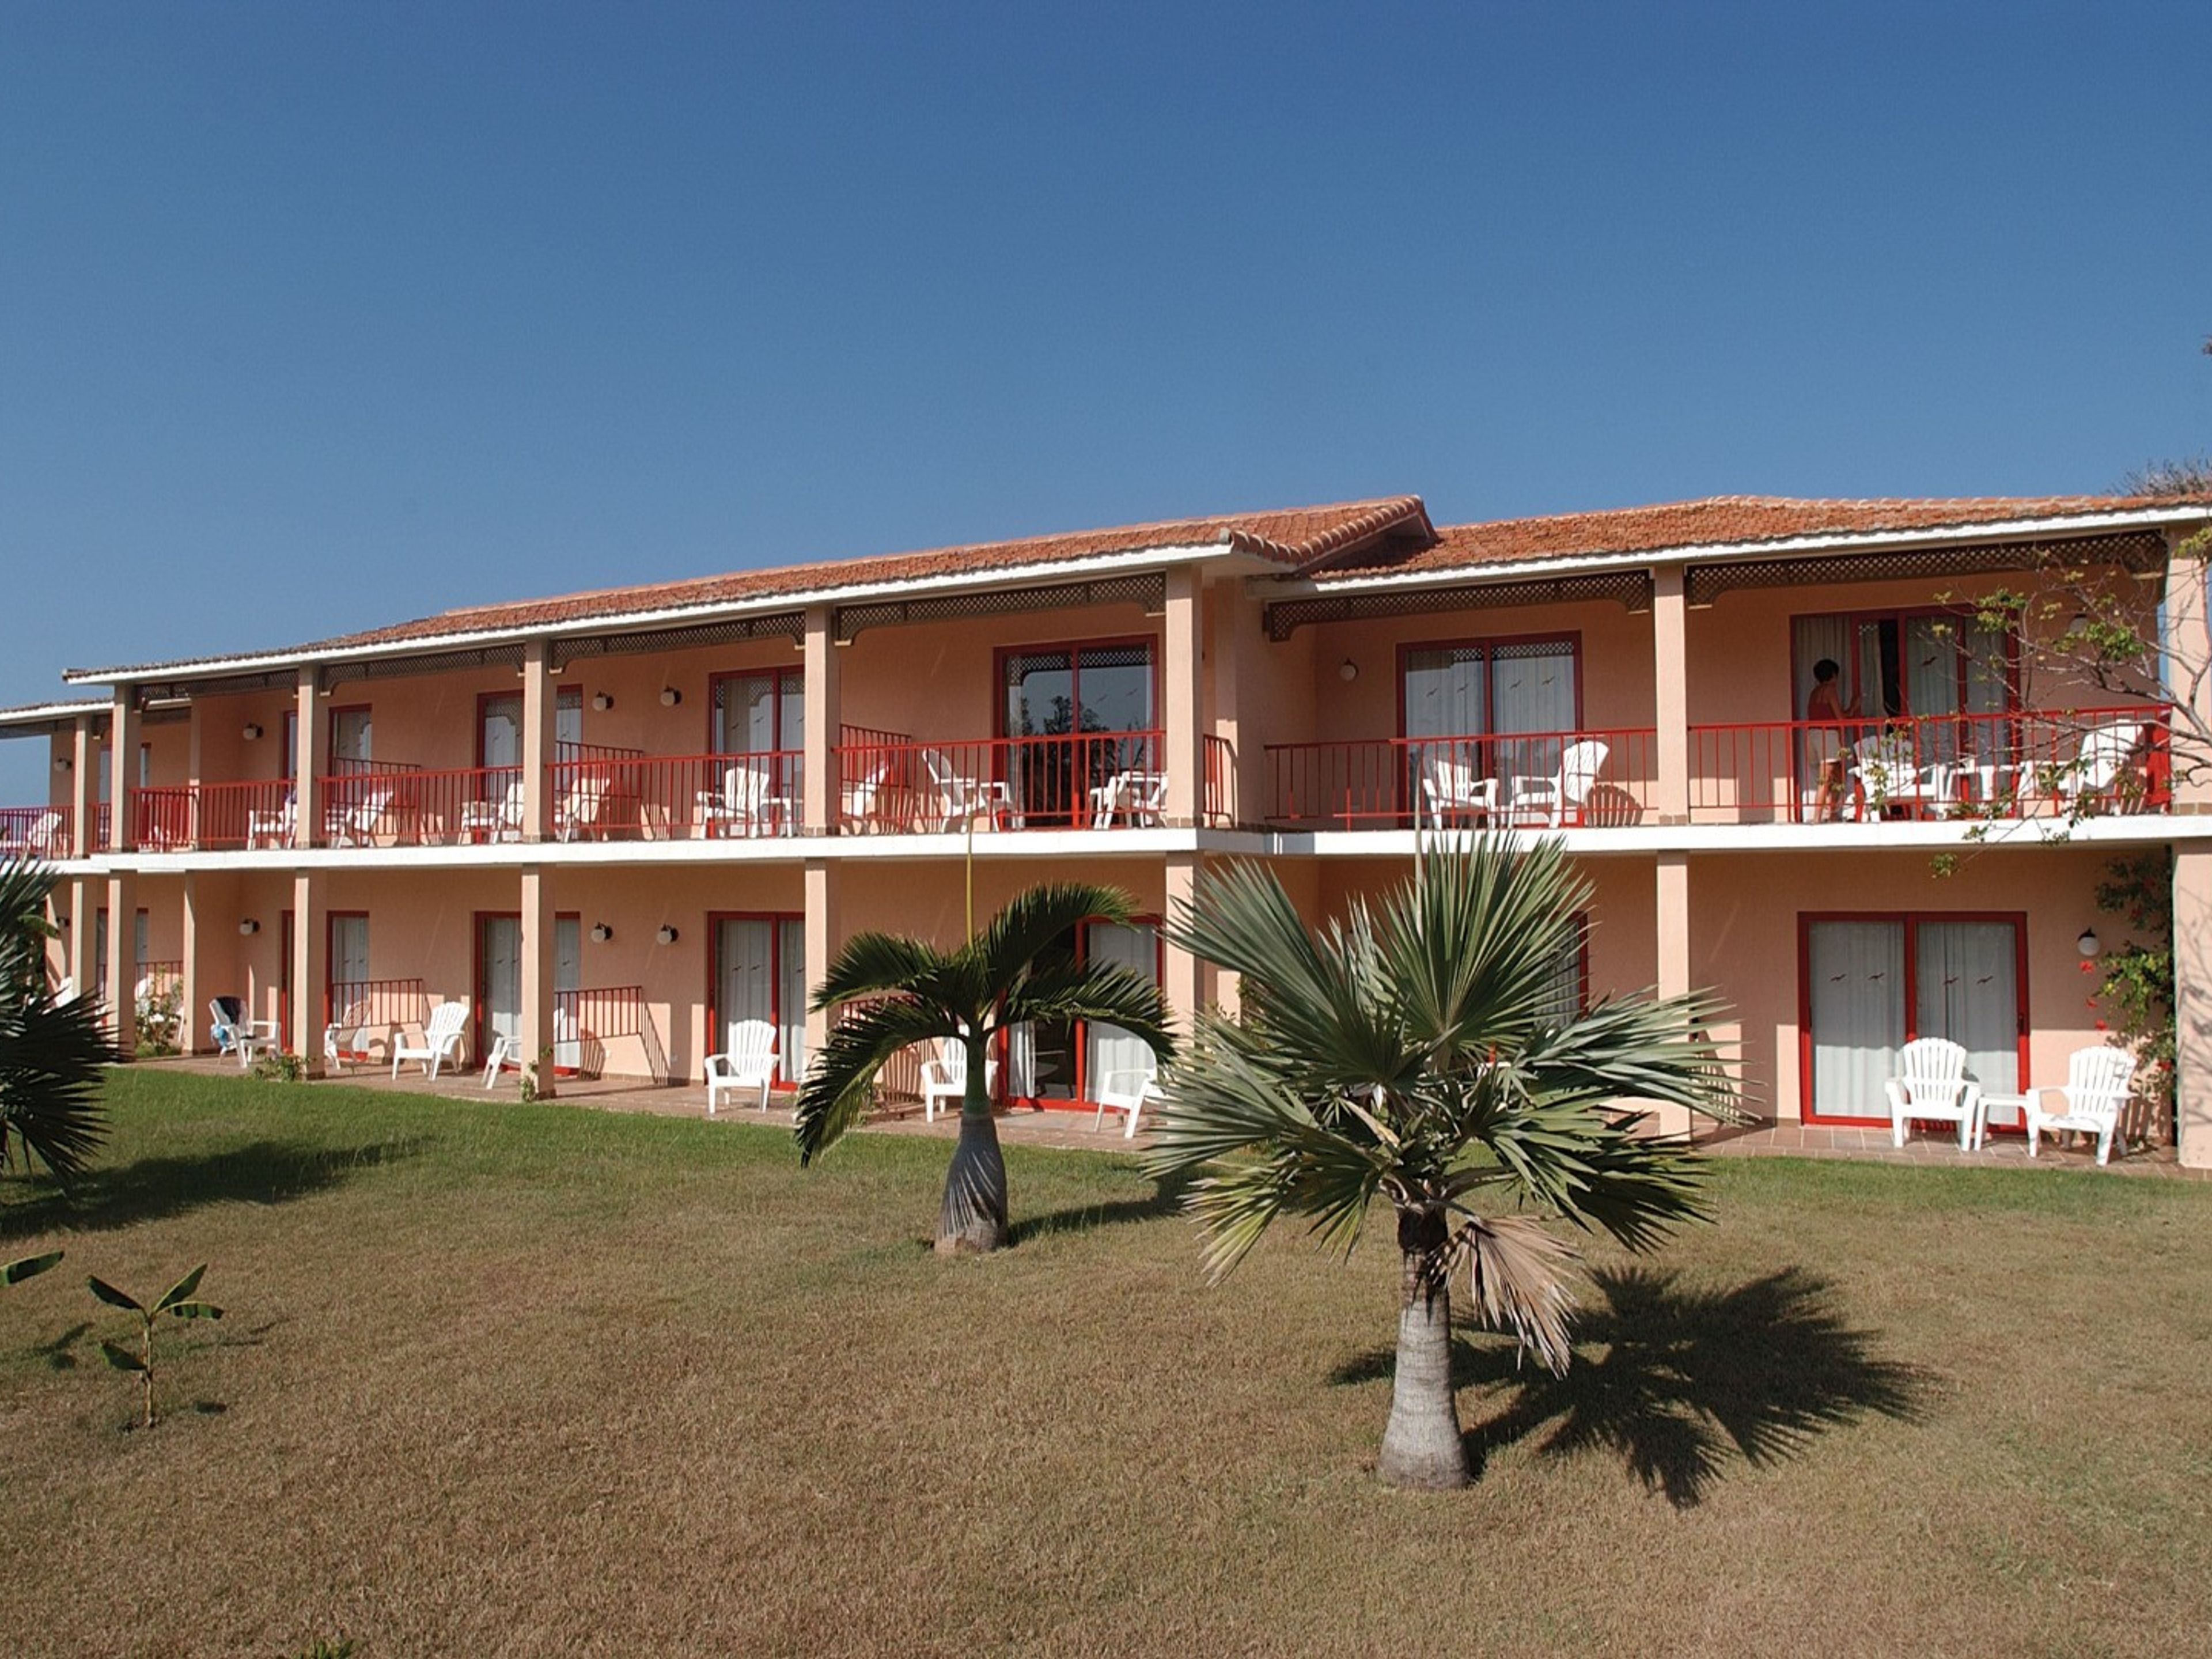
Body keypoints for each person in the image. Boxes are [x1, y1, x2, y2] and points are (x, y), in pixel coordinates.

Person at [1805, 659, 1854, 821]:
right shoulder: (1830, 690)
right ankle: (1817, 818)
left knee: (1838, 774)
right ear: (1833, 675)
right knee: (1825, 779)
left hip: (1813, 735)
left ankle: (1832, 814)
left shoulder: (1814, 692)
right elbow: (1840, 717)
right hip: (1827, 735)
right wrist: (1854, 707)